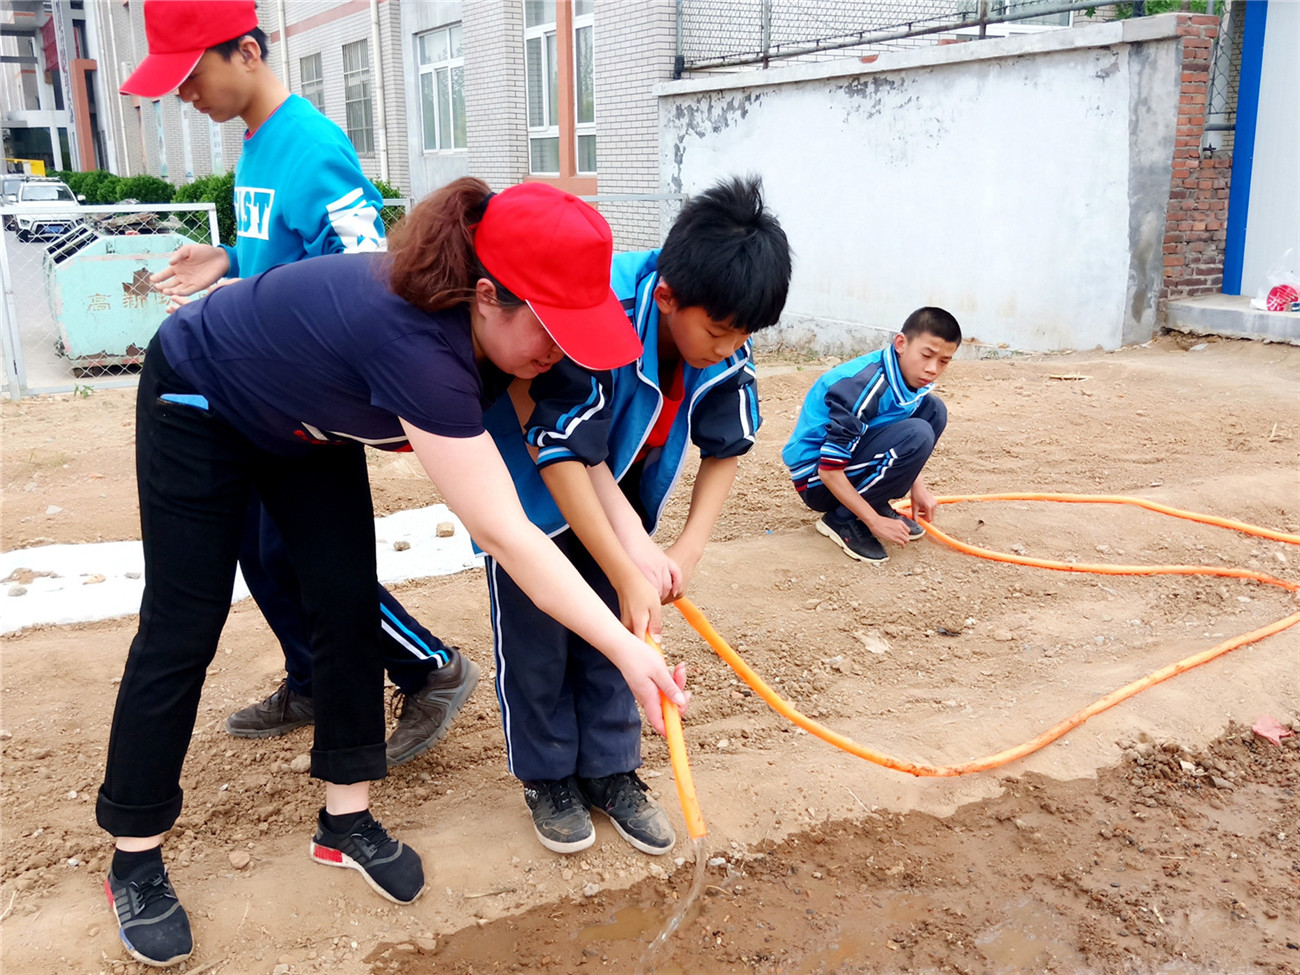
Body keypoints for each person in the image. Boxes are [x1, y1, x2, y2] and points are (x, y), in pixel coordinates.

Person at [96, 178, 689, 967]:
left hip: (306, 425)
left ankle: (346, 821)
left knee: (343, 604)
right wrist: (626, 648)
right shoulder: (419, 348)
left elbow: (573, 457)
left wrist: (636, 556)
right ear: (487, 296)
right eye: (552, 329)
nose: (560, 352)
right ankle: (134, 856)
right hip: (202, 390)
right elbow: (507, 534)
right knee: (183, 623)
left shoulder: (507, 343)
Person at [120, 0, 472, 768]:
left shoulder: (312, 148)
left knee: (307, 563)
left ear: (246, 51)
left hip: (308, 397)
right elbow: (286, 257)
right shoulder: (256, 145)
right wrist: (231, 264)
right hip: (254, 390)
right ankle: (313, 677)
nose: (184, 95)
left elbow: (361, 272)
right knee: (254, 546)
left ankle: (426, 666)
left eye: (190, 76)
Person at [481, 176, 791, 855]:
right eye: (717, 330)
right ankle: (549, 776)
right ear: (666, 297)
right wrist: (626, 564)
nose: (727, 346)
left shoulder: (722, 337)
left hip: (621, 496)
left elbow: (725, 448)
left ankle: (612, 769)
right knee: (540, 641)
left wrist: (683, 549)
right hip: (537, 496)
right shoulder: (602, 309)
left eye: (743, 334)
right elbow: (565, 451)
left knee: (623, 633)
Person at [782, 307, 962, 563]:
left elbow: (896, 423)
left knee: (933, 410)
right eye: (926, 355)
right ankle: (841, 519)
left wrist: (917, 487)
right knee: (918, 431)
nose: (933, 369)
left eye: (943, 361)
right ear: (901, 343)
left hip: (846, 463)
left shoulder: (907, 376)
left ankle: (874, 500)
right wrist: (873, 521)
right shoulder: (864, 388)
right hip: (816, 480)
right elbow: (828, 470)